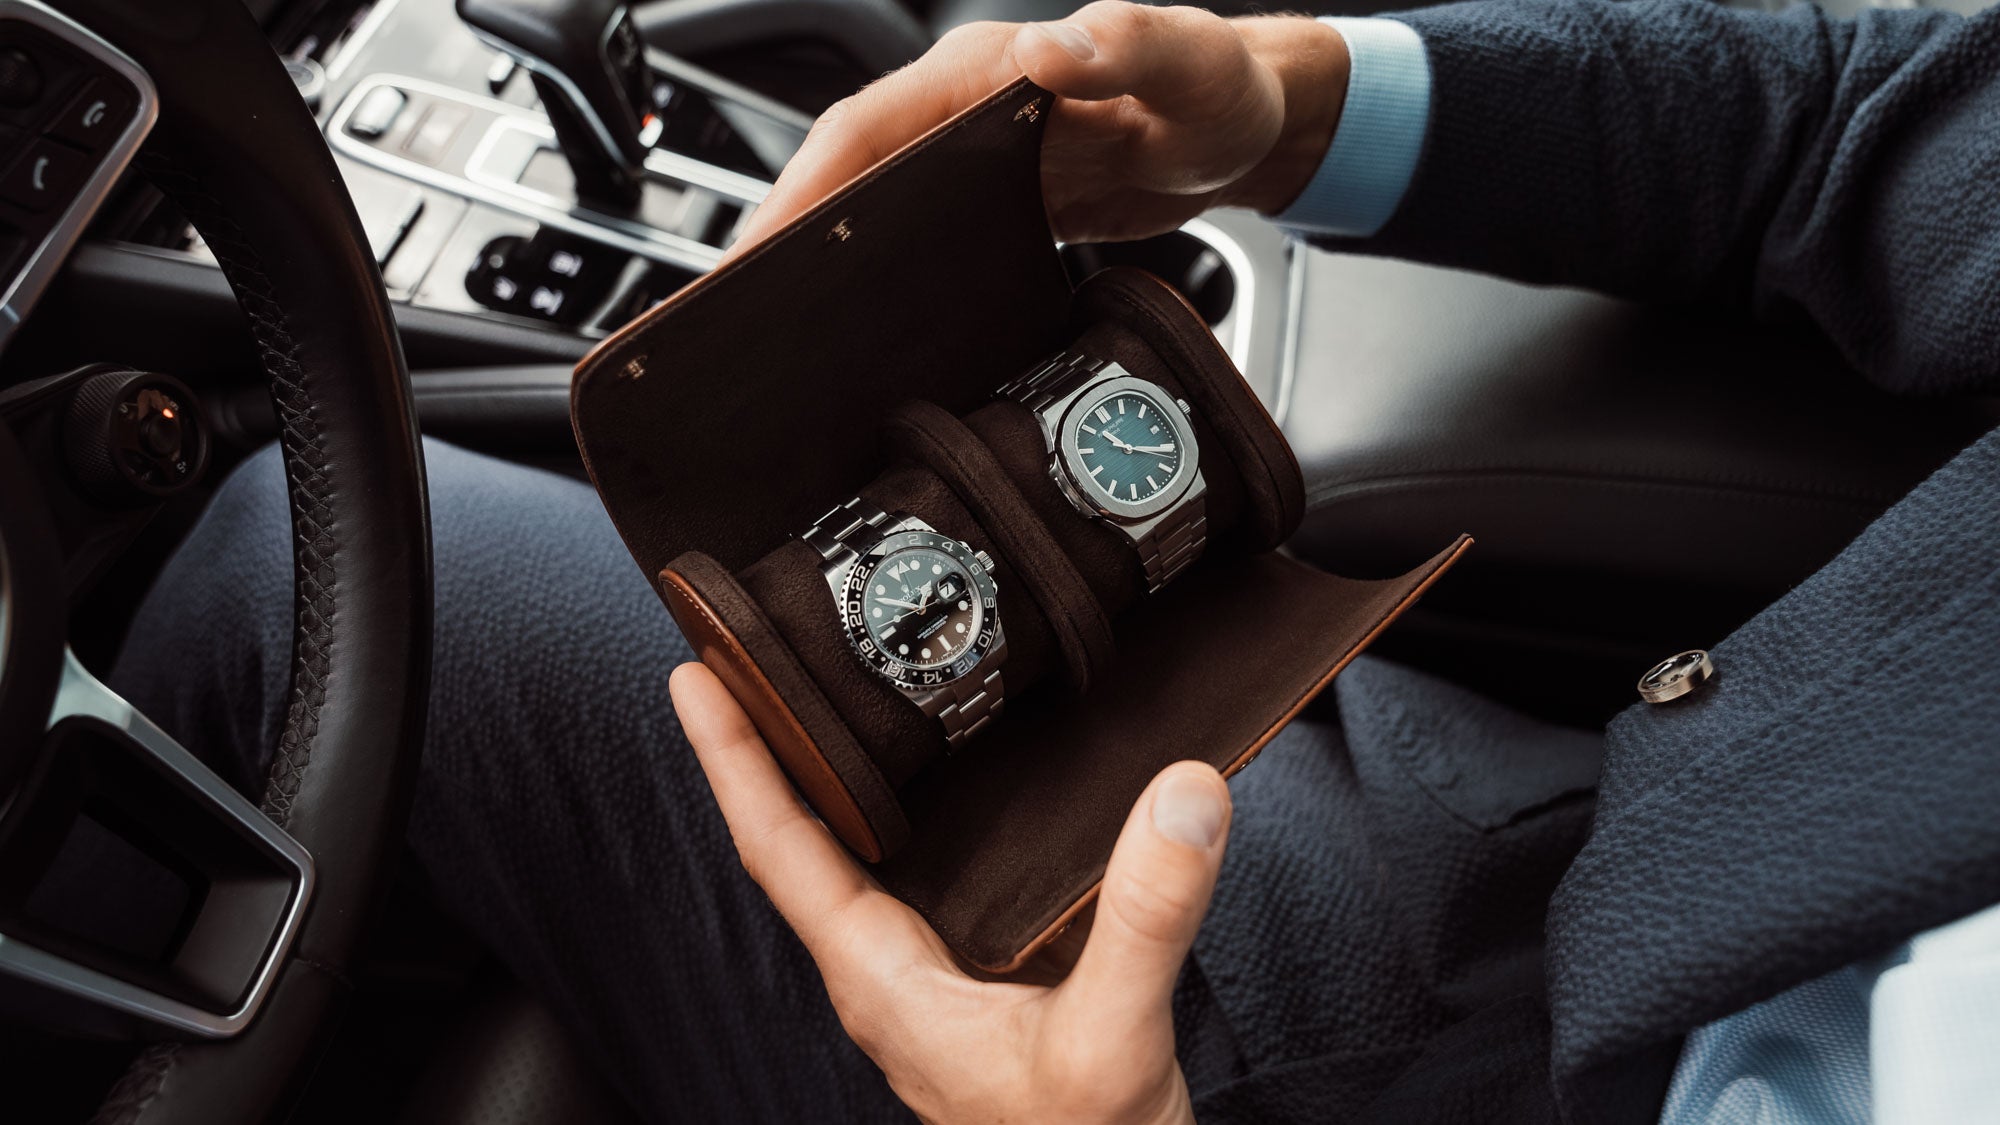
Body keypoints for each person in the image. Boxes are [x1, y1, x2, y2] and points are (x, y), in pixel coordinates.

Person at [114, 0, 2000, 1121]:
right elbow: (1850, 124)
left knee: (287, 585)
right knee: (318, 564)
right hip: (1615, 872)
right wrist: (1288, 106)